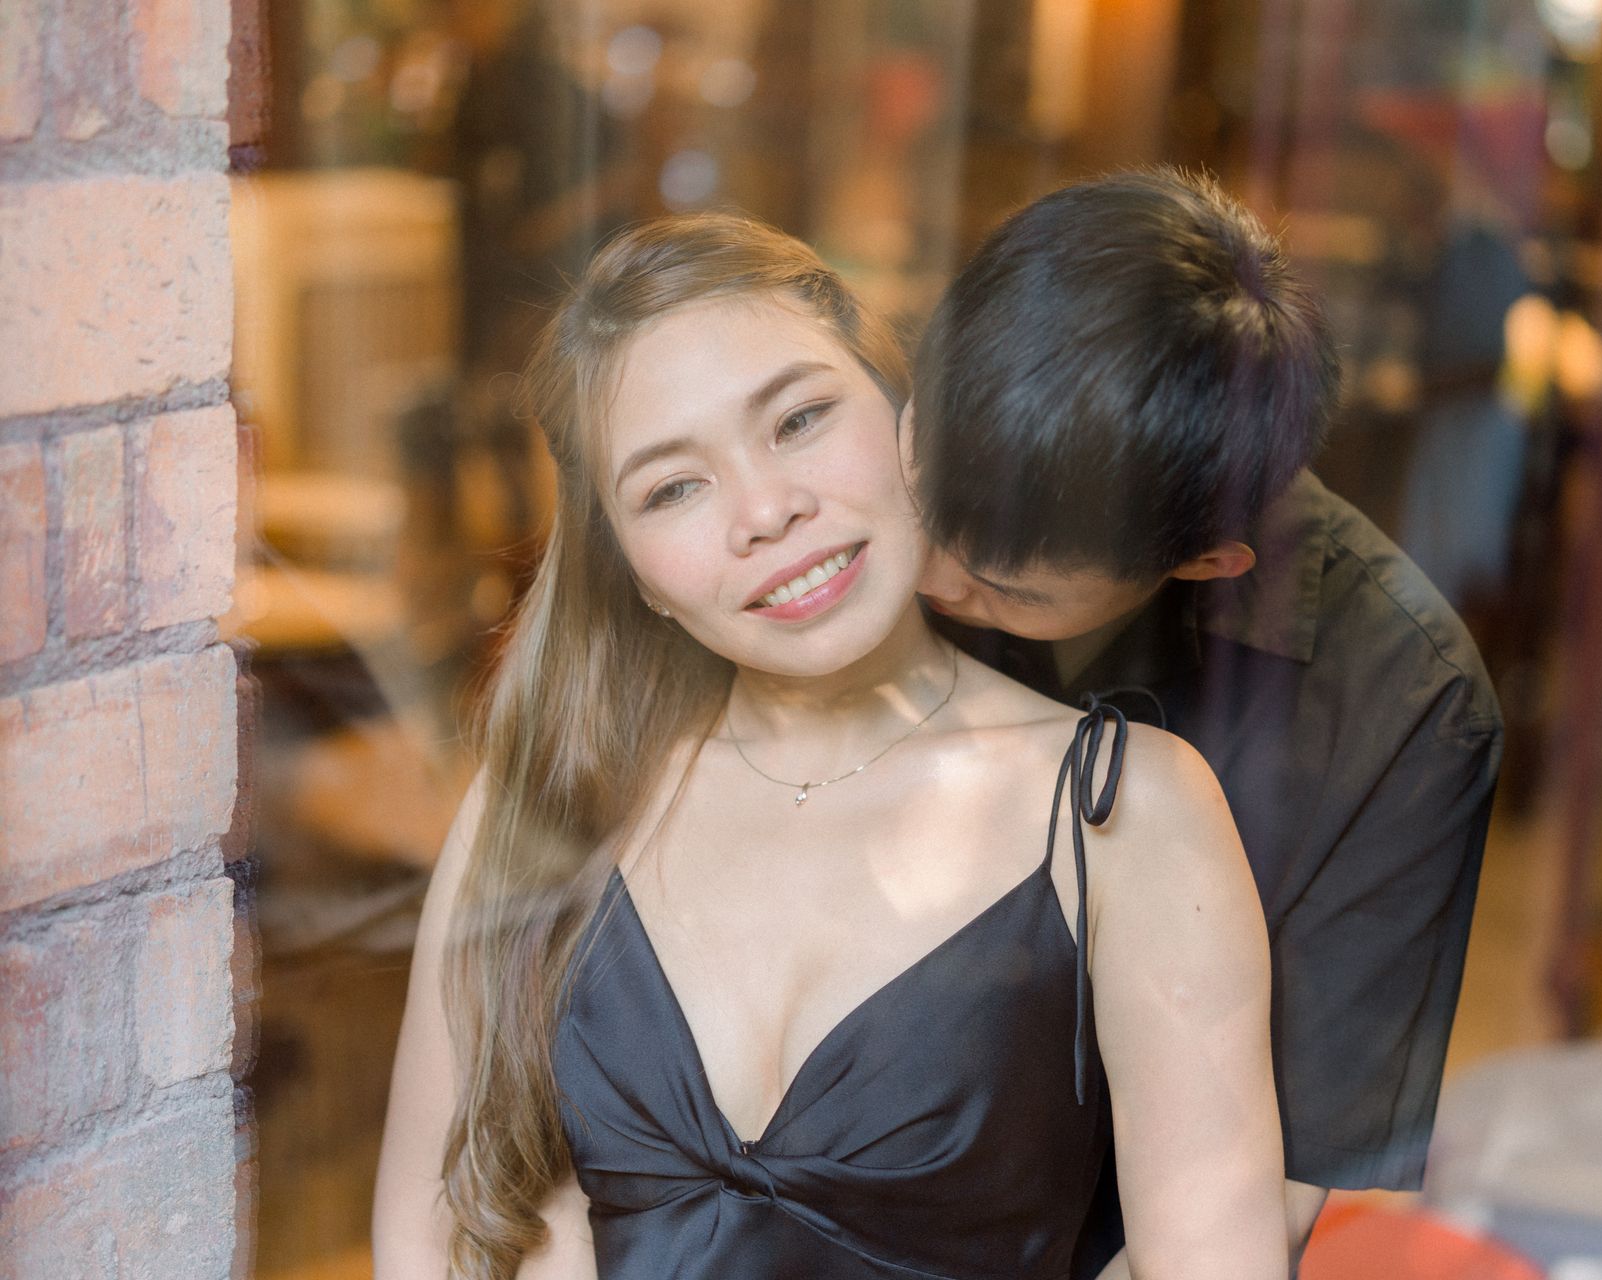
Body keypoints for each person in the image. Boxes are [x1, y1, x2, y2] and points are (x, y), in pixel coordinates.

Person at [371, 213, 1289, 1279]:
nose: (767, 511)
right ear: (632, 572)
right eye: (672, 487)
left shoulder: (1124, 807)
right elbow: (443, 1233)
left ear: (910, 416)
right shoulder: (549, 796)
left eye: (800, 419)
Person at [908, 170, 1504, 1275]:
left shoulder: (1399, 702)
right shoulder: (842, 485)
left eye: (1004, 588)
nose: (927, 580)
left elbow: (1272, 1187)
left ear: (1205, 563)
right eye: (920, 500)